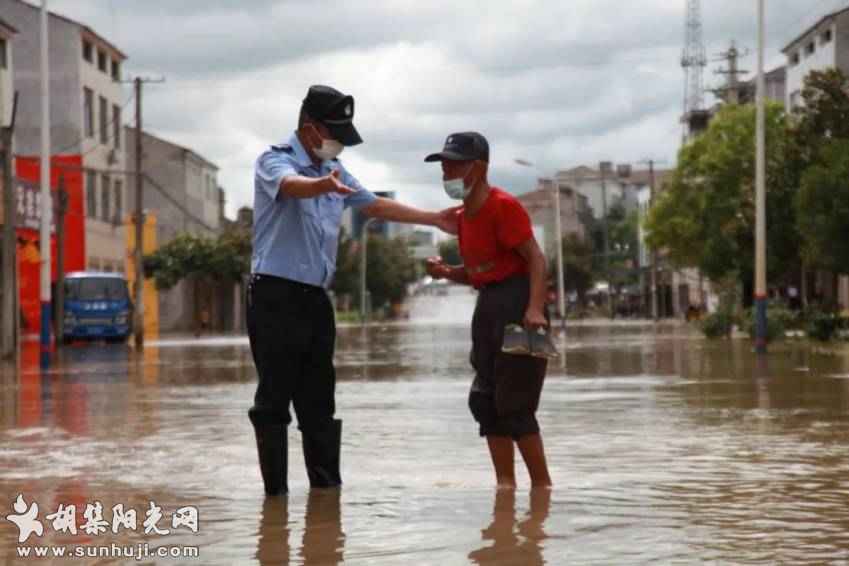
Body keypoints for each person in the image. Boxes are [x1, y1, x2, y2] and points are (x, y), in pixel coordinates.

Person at [248, 85, 457, 496]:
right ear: (310, 129)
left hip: (314, 300)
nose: (340, 143)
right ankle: (275, 502)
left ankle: (325, 502)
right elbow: (291, 186)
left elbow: (375, 205)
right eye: (335, 133)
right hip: (274, 296)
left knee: (319, 401)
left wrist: (436, 218)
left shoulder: (337, 171)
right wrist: (322, 185)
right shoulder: (274, 160)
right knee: (273, 400)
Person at [424, 132, 553, 489]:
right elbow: (482, 272)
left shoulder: (503, 206)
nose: (446, 171)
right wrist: (447, 273)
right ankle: (505, 488)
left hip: (521, 306)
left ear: (478, 168)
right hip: (489, 307)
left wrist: (535, 308)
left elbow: (536, 259)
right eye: (443, 165)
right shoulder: (466, 217)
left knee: (516, 404)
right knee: (485, 401)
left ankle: (542, 488)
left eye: (454, 163)